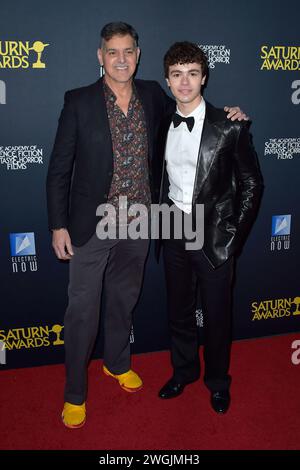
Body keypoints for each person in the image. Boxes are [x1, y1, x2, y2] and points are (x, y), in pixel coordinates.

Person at [46, 22, 247, 428]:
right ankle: (74, 393)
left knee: (123, 301)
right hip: (92, 223)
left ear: (138, 55)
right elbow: (58, 170)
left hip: (141, 221)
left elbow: (199, 108)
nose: (121, 59)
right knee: (82, 311)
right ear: (100, 56)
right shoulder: (79, 102)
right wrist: (58, 225)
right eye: (112, 52)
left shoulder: (155, 95)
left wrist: (233, 114)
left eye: (128, 51)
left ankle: (117, 364)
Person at [155, 41, 263, 413]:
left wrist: (234, 236)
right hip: (171, 226)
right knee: (179, 310)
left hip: (215, 234)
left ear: (204, 77)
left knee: (217, 315)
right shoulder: (160, 121)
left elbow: (252, 183)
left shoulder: (229, 126)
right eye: (177, 74)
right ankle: (183, 372)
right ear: (168, 81)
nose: (185, 82)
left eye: (193, 73)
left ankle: (217, 381)